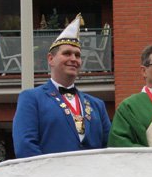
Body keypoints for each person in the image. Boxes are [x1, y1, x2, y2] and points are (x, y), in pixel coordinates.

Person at [13, 14, 111, 158]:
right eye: (67, 53)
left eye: (77, 55)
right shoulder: (32, 98)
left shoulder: (97, 105)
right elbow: (25, 146)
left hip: (92, 172)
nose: (73, 59)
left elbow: (109, 149)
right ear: (51, 59)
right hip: (50, 172)